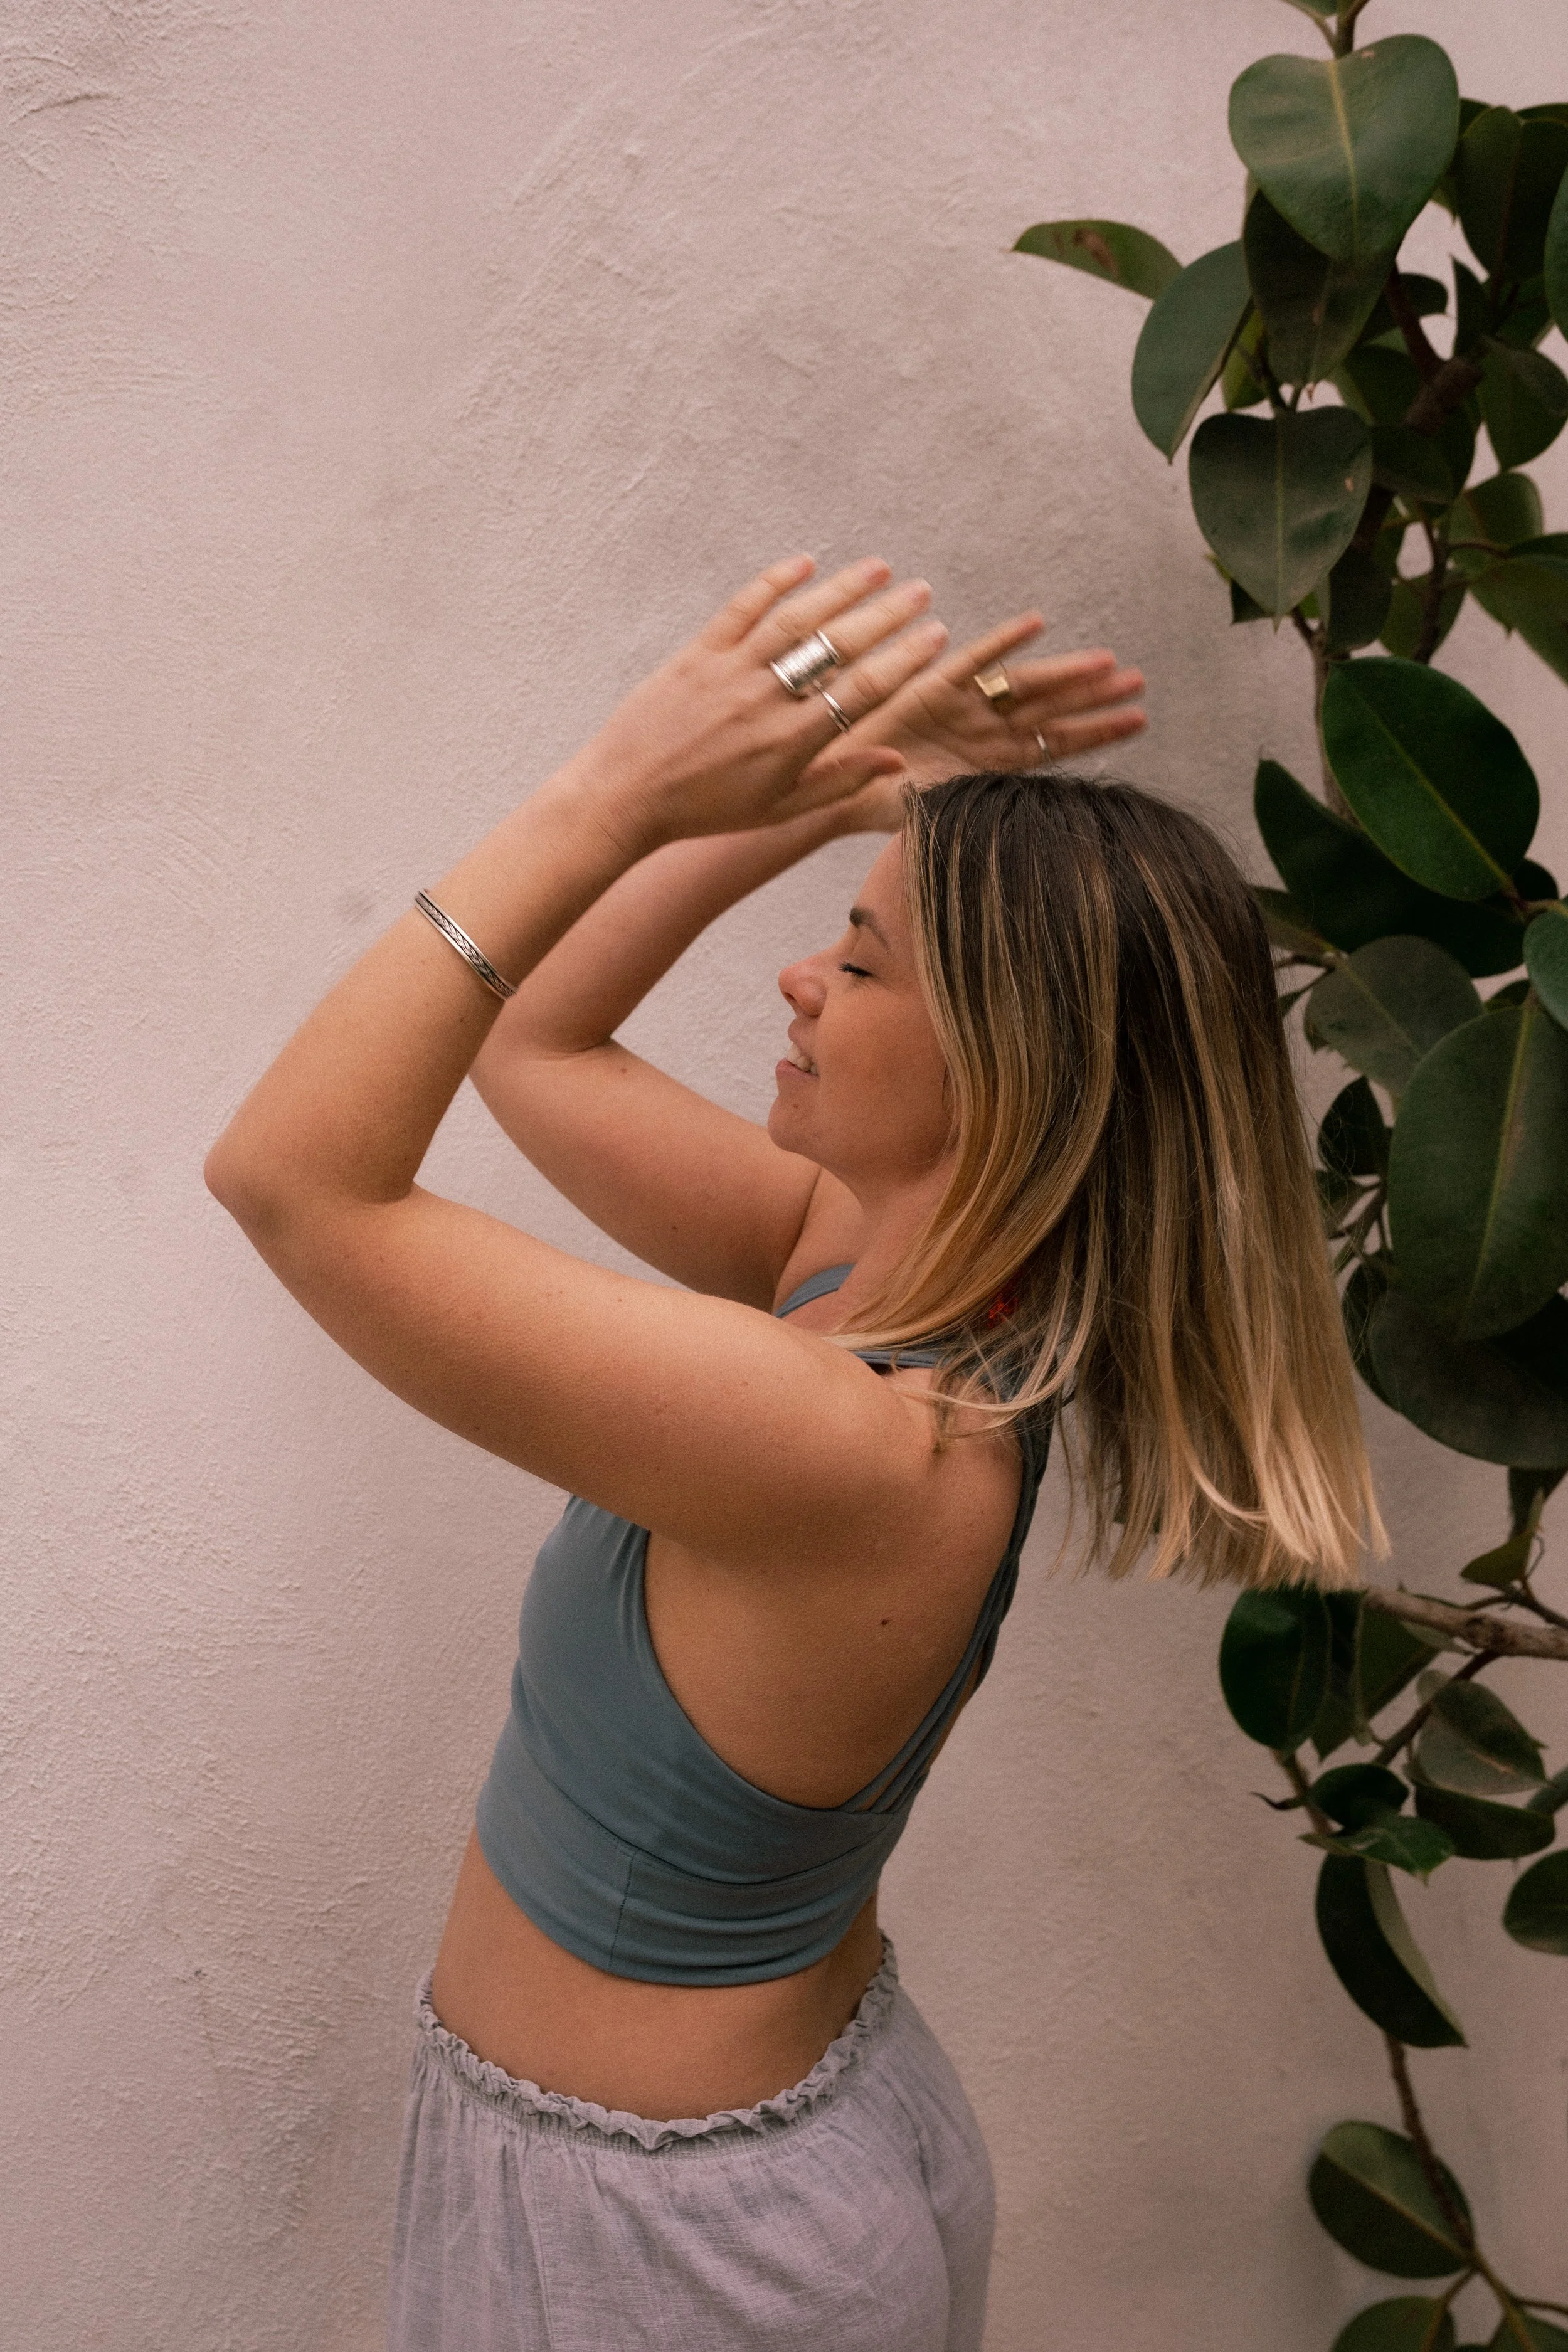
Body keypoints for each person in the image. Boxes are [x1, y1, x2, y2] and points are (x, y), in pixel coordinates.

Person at [204, 556, 1383, 2352]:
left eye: (854, 956)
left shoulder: (841, 1439)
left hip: (669, 2251)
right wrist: (855, 766)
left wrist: (613, 793)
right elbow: (535, 1034)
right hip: (702, 2185)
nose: (795, 976)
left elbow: (291, 1178)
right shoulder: (871, 1281)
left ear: (1006, 1060)